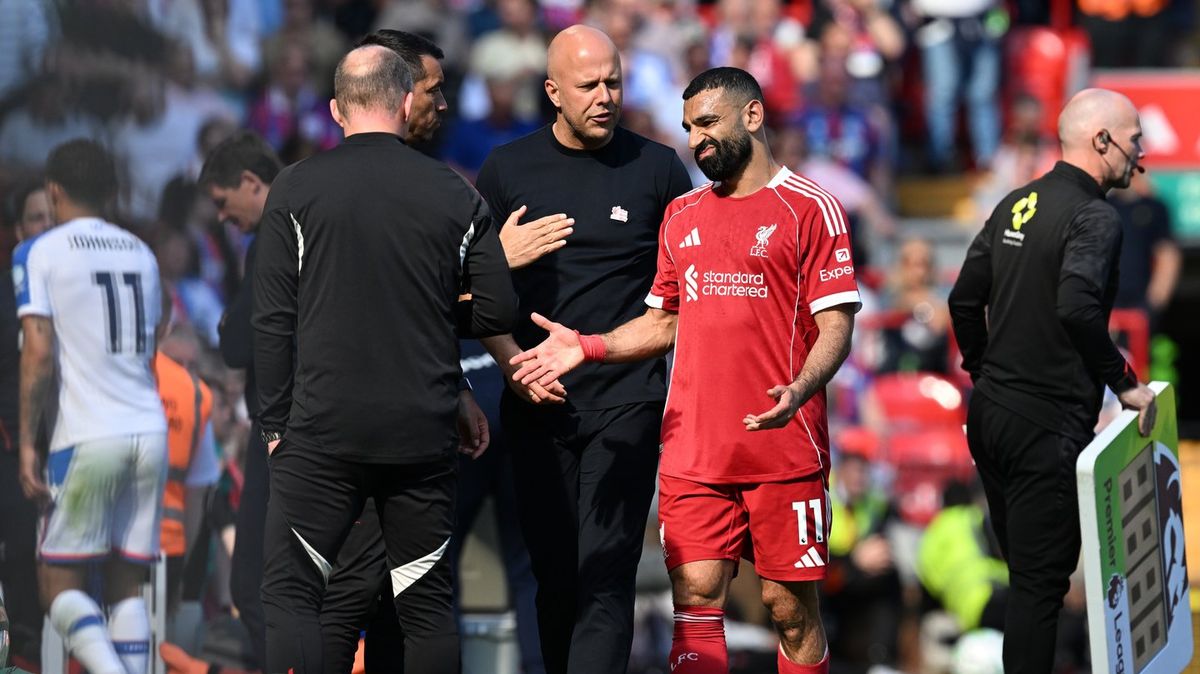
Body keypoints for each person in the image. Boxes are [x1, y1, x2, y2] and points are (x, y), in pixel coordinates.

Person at [509, 66, 860, 674]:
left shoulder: (811, 210)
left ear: (752, 116)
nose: (695, 140)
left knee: (787, 609)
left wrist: (801, 388)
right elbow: (664, 321)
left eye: (707, 124)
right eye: (687, 128)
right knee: (695, 595)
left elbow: (836, 327)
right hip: (694, 448)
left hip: (783, 446)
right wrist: (587, 346)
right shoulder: (683, 216)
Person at [253, 45, 516, 673]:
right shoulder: (455, 193)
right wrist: (424, 312)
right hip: (420, 432)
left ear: (337, 111)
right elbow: (498, 311)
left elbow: (271, 319)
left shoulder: (294, 187)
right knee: (425, 605)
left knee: (294, 594)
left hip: (321, 430)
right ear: (405, 102)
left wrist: (273, 423)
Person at [475, 24, 692, 674]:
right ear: (552, 92)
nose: (605, 95)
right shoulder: (507, 169)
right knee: (555, 577)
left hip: (626, 401)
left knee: (606, 573)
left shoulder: (657, 169)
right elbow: (476, 293)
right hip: (537, 401)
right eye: (588, 84)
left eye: (614, 82)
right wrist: (513, 361)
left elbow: (686, 298)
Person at [947, 88, 1158, 674]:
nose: (1139, 155)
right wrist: (1124, 382)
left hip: (990, 416)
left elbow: (964, 300)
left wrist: (983, 373)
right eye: (1134, 138)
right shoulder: (1095, 217)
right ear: (1102, 141)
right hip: (1043, 423)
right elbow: (1076, 307)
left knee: (1027, 582)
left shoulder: (1018, 201)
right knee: (1041, 590)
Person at [15, 139, 167, 674]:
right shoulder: (142, 253)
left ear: (53, 192)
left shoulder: (41, 251)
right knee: (127, 589)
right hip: (149, 430)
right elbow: (159, 332)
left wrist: (28, 447)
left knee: (57, 586)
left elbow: (37, 352)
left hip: (86, 434)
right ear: (112, 192)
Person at [199, 130, 282, 669]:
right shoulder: (311, 226)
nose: (226, 223)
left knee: (255, 585)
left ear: (251, 182)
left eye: (225, 207)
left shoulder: (274, 238)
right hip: (305, 425)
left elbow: (237, 341)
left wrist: (232, 321)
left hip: (281, 432)